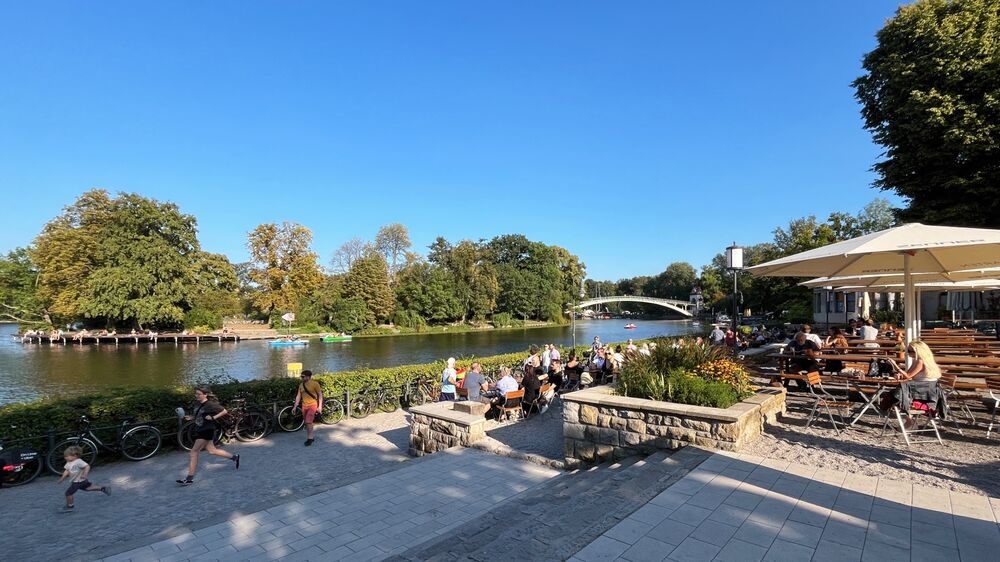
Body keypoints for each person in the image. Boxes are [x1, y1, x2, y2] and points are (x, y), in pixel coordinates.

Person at [177, 387, 239, 485]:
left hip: (207, 429)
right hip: (200, 428)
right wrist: (191, 417)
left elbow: (224, 411)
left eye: (199, 394)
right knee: (212, 450)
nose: (196, 395)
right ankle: (234, 457)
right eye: (196, 394)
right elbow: (198, 416)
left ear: (205, 395)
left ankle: (189, 479)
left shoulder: (210, 404)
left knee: (194, 451)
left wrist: (213, 417)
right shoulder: (197, 403)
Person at [59, 445, 111, 511]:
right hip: (81, 481)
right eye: (65, 456)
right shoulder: (69, 462)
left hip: (77, 482)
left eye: (67, 456)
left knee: (68, 493)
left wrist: (85, 474)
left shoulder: (78, 461)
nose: (65, 457)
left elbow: (87, 466)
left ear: (75, 455)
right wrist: (62, 478)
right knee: (87, 488)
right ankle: (103, 488)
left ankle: (70, 506)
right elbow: (67, 470)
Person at [293, 369, 323, 446]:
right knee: (307, 422)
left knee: (308, 421)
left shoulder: (315, 384)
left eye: (303, 377)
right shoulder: (301, 385)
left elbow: (320, 395)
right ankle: (311, 436)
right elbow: (298, 396)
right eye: (301, 377)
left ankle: (310, 438)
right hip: (304, 405)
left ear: (308, 377)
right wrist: (295, 406)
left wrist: (319, 406)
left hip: (312, 405)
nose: (302, 378)